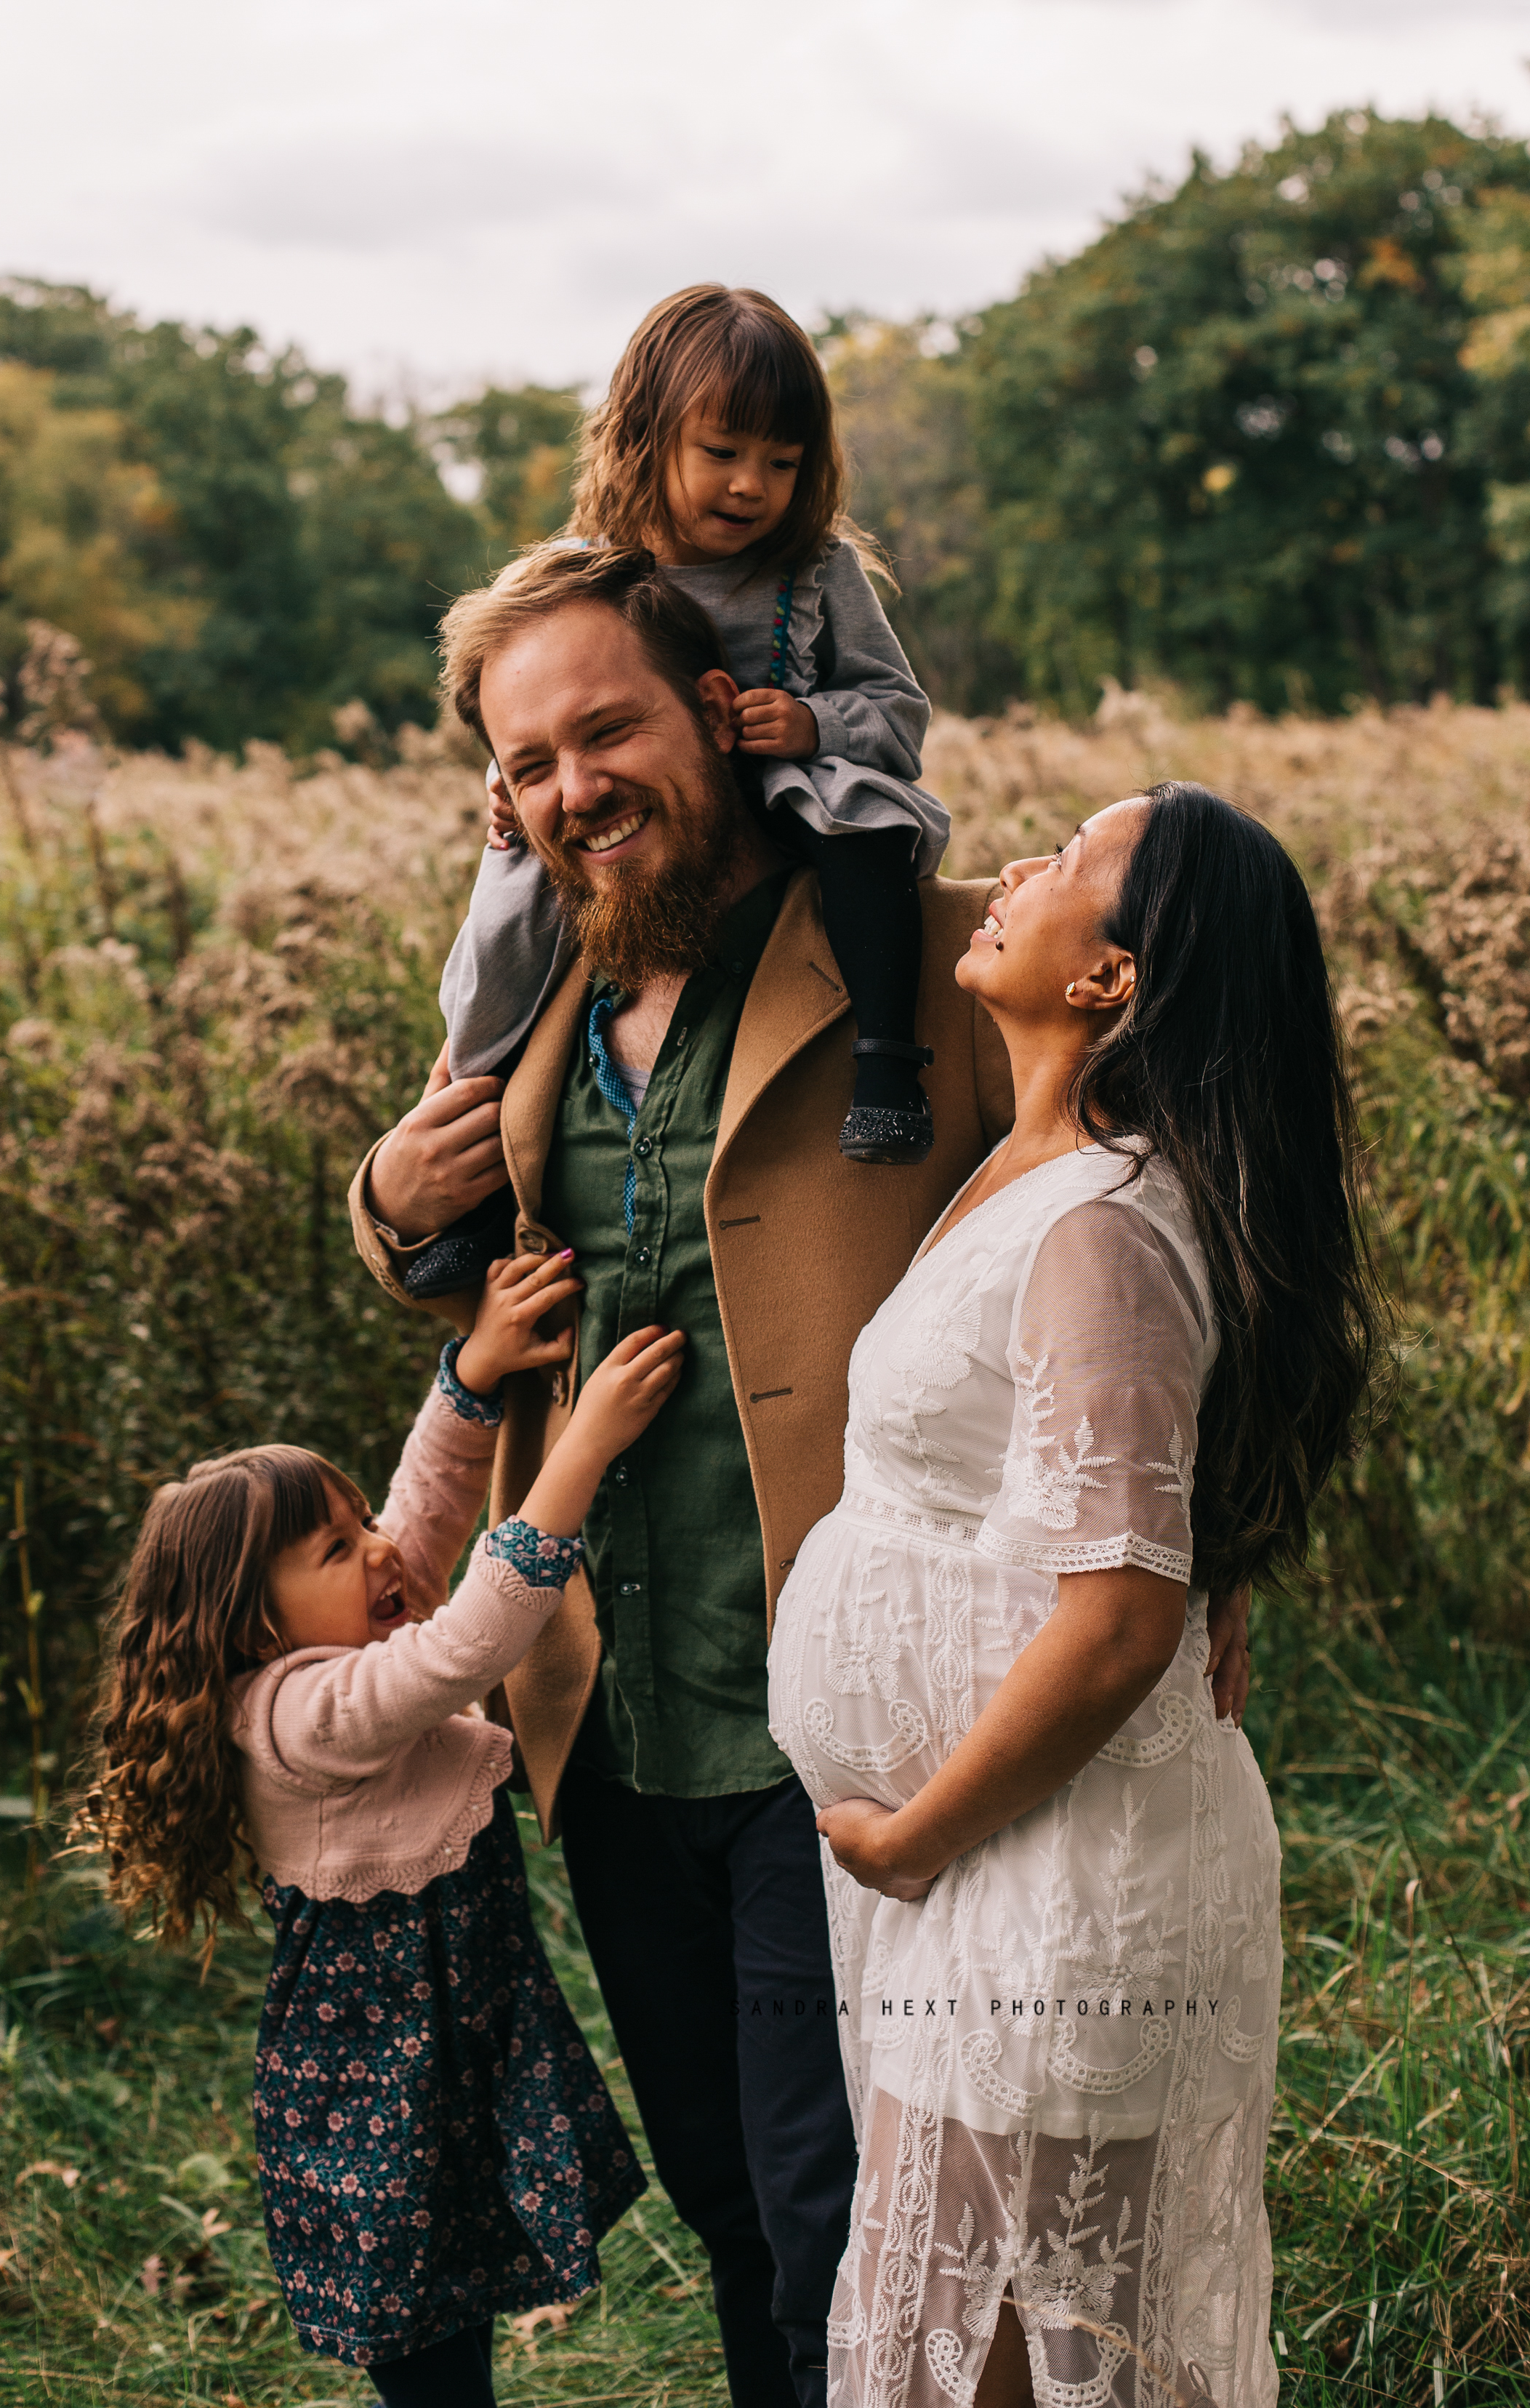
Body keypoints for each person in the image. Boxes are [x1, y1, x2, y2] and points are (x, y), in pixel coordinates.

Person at [347, 546, 1255, 2408]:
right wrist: (384, 1199)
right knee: (726, 2203)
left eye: (607, 728)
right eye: (528, 765)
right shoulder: (540, 997)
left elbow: (1170, 1238)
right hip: (599, 1707)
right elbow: (456, 1253)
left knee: (834, 2207)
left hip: (838, 1728)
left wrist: (1217, 1554)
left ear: (722, 709)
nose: (572, 787)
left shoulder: (927, 955)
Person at [768, 785, 1384, 2408]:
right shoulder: (1030, 1172)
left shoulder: (1104, 1221)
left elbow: (1116, 1615)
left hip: (1047, 1885)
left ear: (1117, 975)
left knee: (1005, 2370)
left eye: (1071, 858)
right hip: (993, 1874)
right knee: (986, 2354)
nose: (1020, 867)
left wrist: (913, 1836)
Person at [84, 1245, 687, 2407]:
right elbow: (471, 1641)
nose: (378, 1552)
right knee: (419, 2334)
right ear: (253, 1625)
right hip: (378, 2064)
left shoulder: (334, 1636)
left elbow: (425, 1510)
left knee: (451, 2289)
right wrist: (581, 1448)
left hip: (453, 2029)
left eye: (355, 1523)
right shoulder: (301, 1713)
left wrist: (471, 1376)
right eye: (332, 1550)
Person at [412, 283, 952, 1302]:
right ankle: (475, 1172)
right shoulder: (588, 570)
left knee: (861, 823)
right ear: (646, 437)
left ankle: (886, 1063)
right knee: (506, 939)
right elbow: (529, 704)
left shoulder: (814, 570)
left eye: (782, 463)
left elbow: (898, 711)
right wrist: (506, 780)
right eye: (723, 452)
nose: (752, 486)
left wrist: (816, 723)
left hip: (777, 778)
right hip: (626, 821)